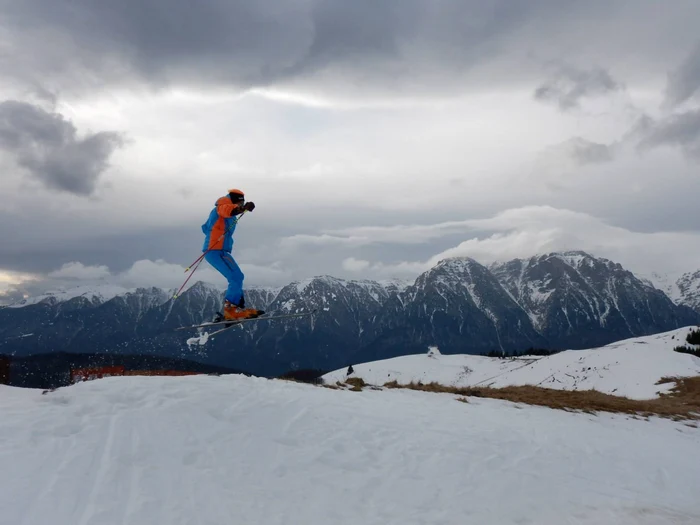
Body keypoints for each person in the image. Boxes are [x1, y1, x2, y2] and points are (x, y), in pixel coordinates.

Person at [201, 188, 263, 321]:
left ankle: (237, 308)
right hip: (215, 251)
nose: (241, 206)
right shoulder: (222, 206)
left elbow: (205, 227)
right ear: (236, 201)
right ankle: (231, 312)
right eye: (241, 203)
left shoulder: (221, 211)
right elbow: (228, 210)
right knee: (235, 277)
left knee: (238, 276)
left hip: (220, 251)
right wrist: (241, 209)